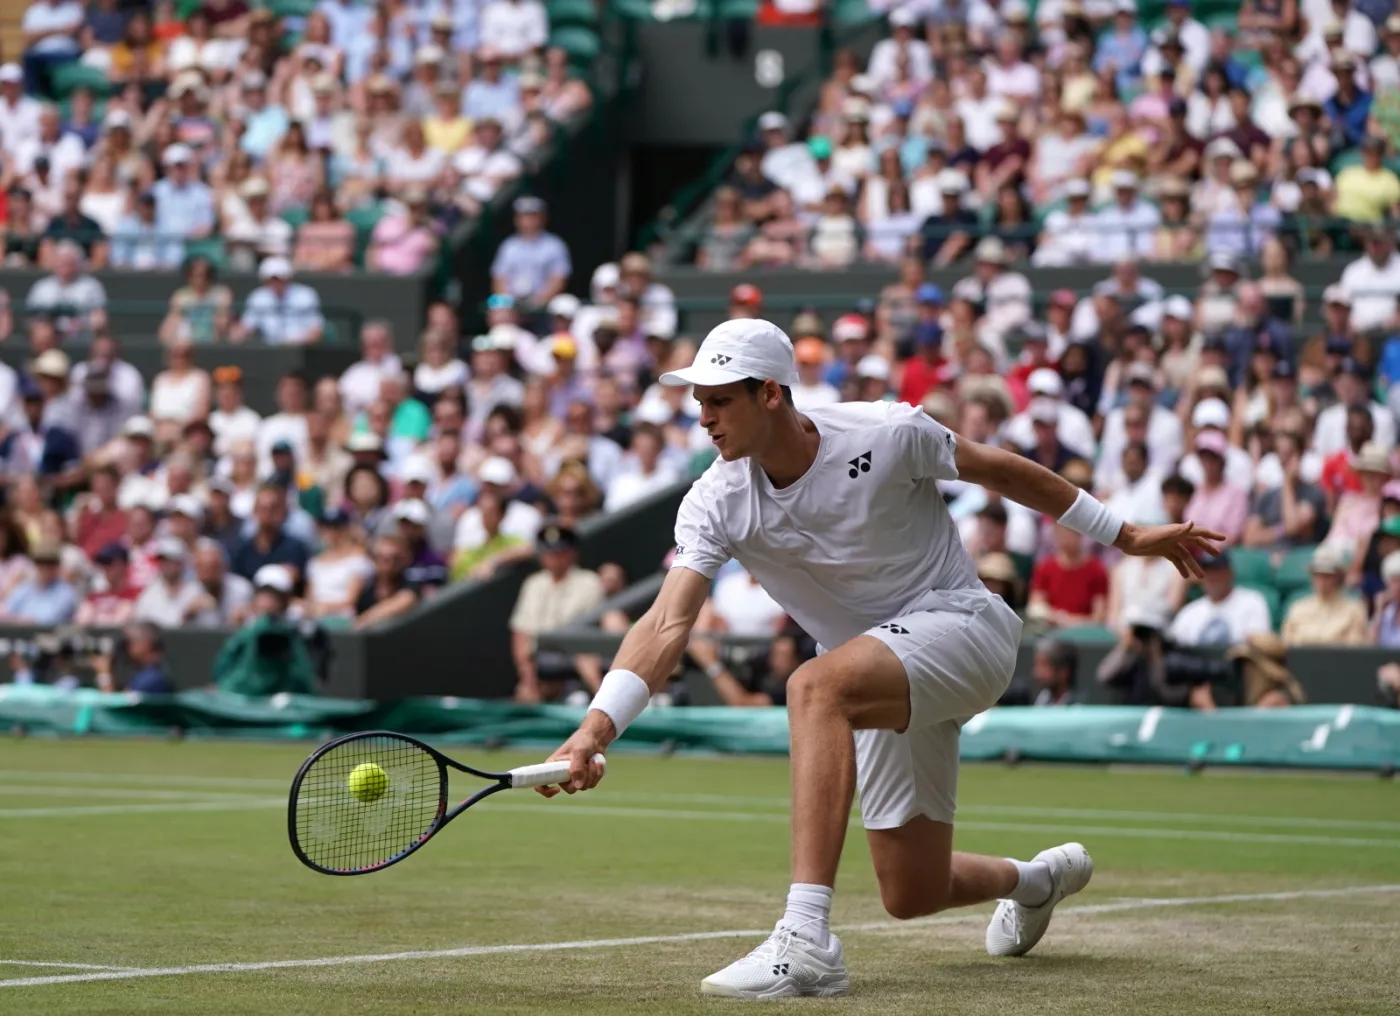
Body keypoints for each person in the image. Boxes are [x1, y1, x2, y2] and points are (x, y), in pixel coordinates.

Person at [532, 318, 1222, 999]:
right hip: (875, 668)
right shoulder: (714, 500)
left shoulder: (887, 432)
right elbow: (666, 621)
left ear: (770, 393)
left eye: (719, 400)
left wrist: (1126, 534)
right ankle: (1035, 881)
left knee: (812, 688)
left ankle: (806, 940)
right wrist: (595, 729)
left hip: (964, 628)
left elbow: (997, 469)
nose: (704, 417)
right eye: (699, 402)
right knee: (911, 891)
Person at [1280, 546, 1369, 645]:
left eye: (1327, 576)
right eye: (1317, 575)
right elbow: (1286, 644)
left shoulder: (1354, 610)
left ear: (1338, 577)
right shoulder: (1297, 608)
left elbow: (1355, 647)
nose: (1321, 581)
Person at [91, 622, 174, 694]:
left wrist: (104, 675)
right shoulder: (139, 672)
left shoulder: (153, 678)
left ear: (146, 643)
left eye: (130, 642)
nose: (126, 649)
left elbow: (119, 708)